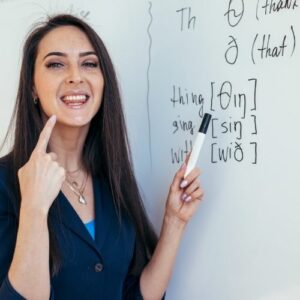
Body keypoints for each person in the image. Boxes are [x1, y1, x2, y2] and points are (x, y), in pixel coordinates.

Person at [0, 14, 204, 300]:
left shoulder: (113, 178)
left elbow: (134, 294)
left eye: (89, 63)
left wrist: (174, 221)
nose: (76, 76)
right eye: (56, 64)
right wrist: (34, 208)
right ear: (32, 87)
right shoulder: (5, 183)